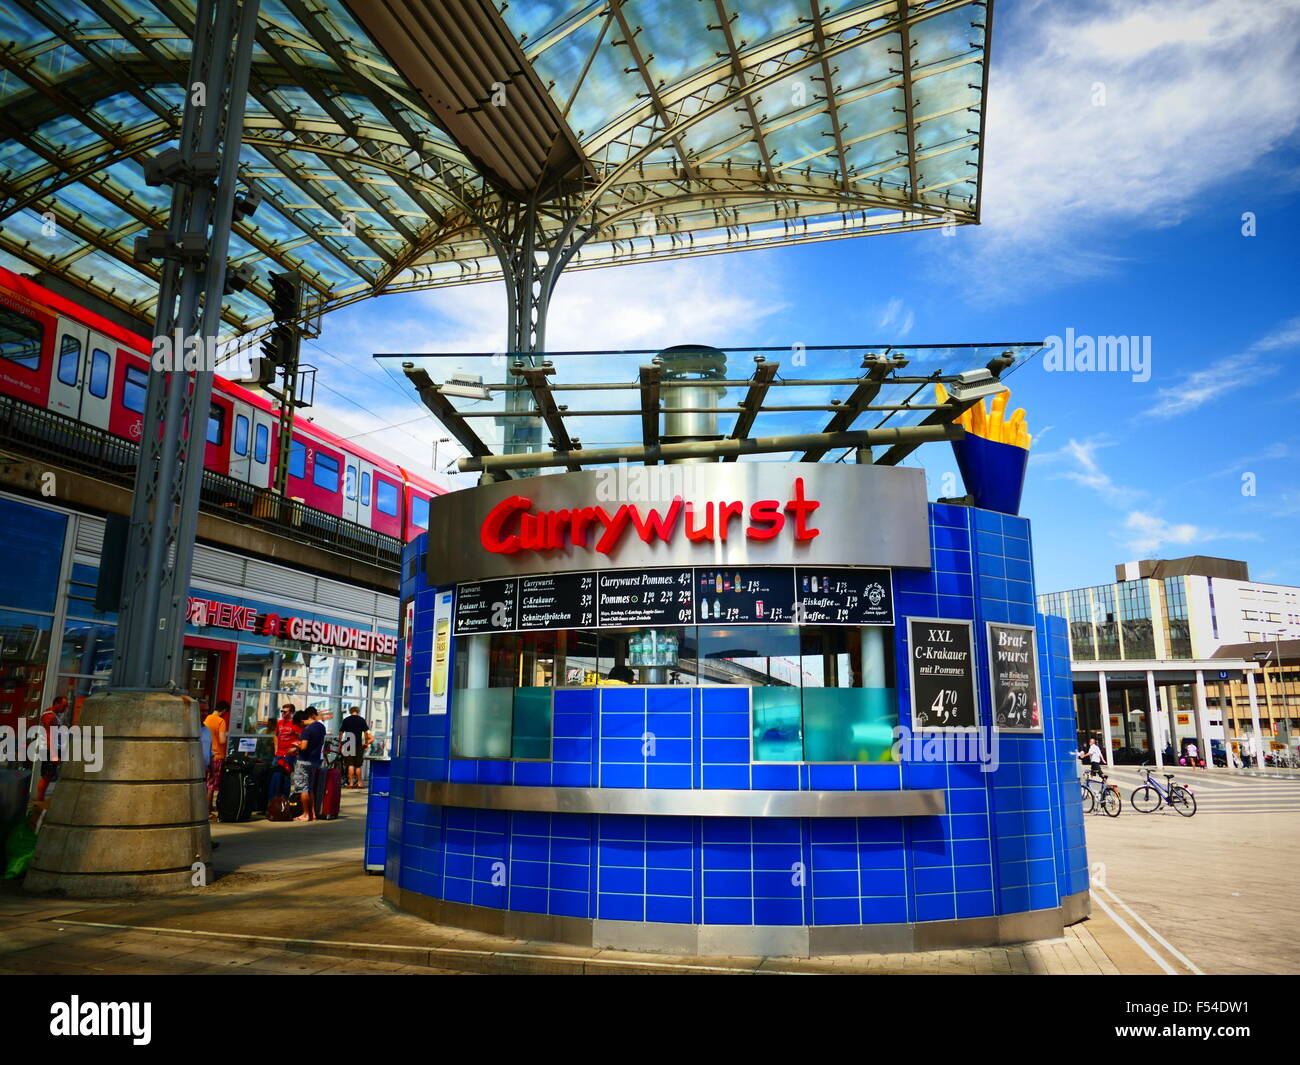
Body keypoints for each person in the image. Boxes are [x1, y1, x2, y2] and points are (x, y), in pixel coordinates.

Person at [291, 708, 327, 822]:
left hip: (303, 761)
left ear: (301, 721)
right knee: (310, 788)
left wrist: (296, 745)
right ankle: (312, 813)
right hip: (315, 761)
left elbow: (304, 747)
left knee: (303, 788)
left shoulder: (307, 730)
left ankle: (305, 814)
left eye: (299, 725)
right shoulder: (321, 727)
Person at [34, 696, 68, 802]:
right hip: (49, 750)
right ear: (56, 703)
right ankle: (39, 802)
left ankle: (40, 801)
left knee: (49, 776)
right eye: (64, 706)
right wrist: (53, 755)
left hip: (52, 749)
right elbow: (50, 736)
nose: (65, 708)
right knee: (46, 776)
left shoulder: (55, 716)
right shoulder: (49, 716)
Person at [204, 700, 229, 817]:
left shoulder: (207, 718)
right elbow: (222, 740)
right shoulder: (221, 721)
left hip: (206, 754)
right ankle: (208, 810)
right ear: (223, 710)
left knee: (205, 782)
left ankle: (202, 808)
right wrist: (226, 734)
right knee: (212, 785)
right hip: (217, 755)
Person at [339, 706, 371, 789]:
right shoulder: (361, 720)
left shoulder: (346, 720)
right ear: (358, 711)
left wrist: (340, 742)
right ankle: (359, 783)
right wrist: (366, 743)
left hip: (348, 743)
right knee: (358, 765)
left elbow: (341, 732)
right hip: (358, 743)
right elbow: (366, 733)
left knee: (350, 764)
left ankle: (351, 783)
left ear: (350, 711)